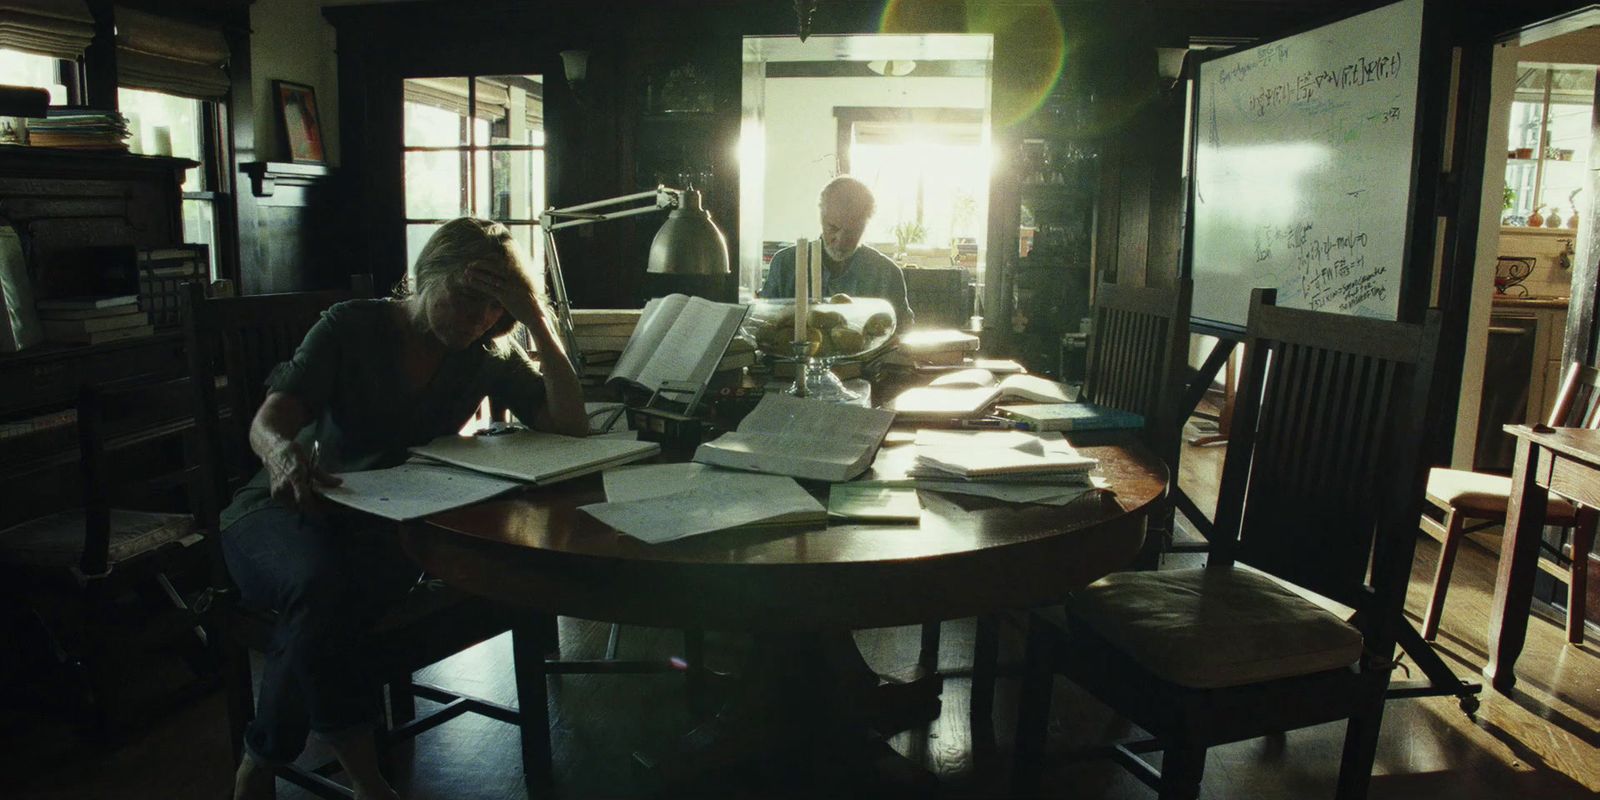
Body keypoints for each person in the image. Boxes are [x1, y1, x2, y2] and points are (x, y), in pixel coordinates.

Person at [223, 218, 586, 800]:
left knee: (333, 598)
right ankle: (343, 776)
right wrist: (281, 456)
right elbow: (269, 423)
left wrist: (537, 317)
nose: (480, 318)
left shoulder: (486, 351)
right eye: (468, 297)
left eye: (495, 307)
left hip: (383, 525)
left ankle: (269, 764)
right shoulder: (350, 326)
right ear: (427, 274)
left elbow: (570, 427)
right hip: (282, 510)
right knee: (325, 589)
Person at [760, 175, 914, 328]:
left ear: (866, 226)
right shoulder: (785, 265)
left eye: (851, 232)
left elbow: (903, 333)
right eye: (833, 228)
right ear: (821, 219)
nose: (840, 240)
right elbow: (763, 324)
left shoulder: (886, 273)